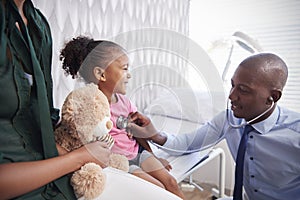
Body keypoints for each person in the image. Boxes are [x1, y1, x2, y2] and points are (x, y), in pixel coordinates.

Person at [127, 53, 300, 200]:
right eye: (232, 86)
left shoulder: (295, 134)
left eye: (244, 90)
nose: (232, 96)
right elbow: (188, 143)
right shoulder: (229, 120)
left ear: (273, 96)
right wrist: (154, 134)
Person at [0, 1, 111, 199]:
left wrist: (79, 152)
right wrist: (78, 158)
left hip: (52, 179)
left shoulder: (38, 25)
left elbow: (39, 125)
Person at [60, 36, 185, 199]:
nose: (129, 75)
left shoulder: (124, 102)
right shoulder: (89, 107)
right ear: (101, 74)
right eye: (124, 68)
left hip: (137, 153)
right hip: (119, 163)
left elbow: (137, 134)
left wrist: (154, 157)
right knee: (159, 190)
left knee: (171, 183)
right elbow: (74, 136)